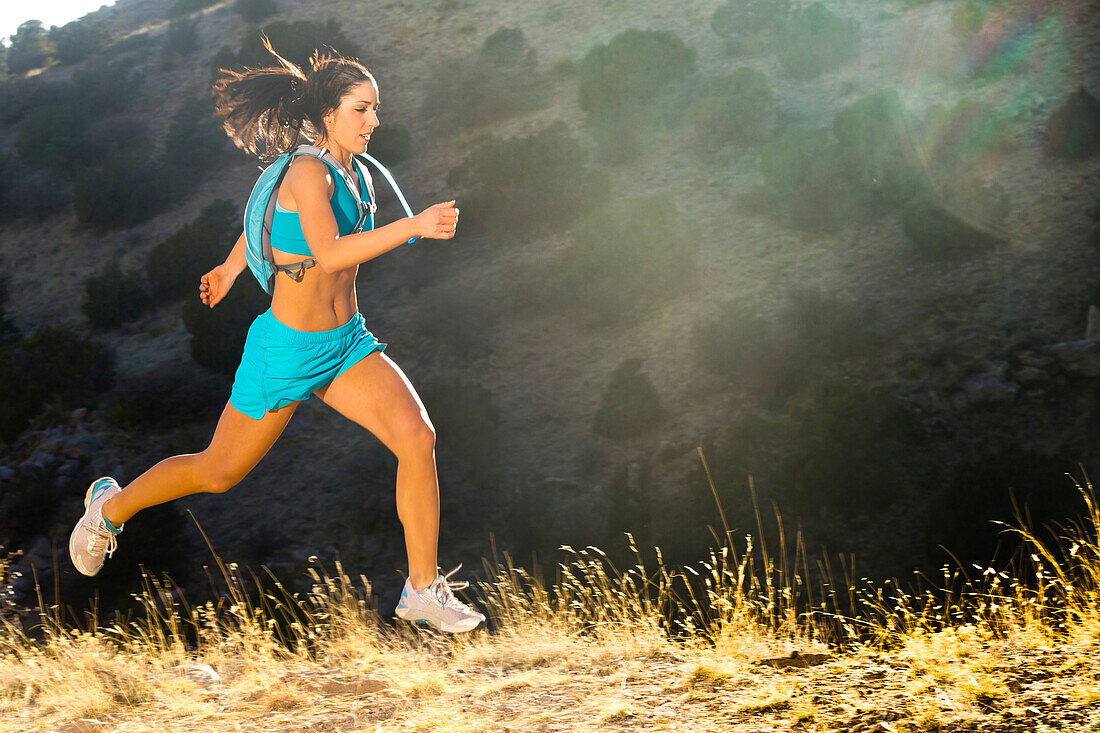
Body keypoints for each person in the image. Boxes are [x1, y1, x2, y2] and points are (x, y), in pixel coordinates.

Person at [68, 37, 485, 634]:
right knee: (218, 471)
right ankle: (108, 509)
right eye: (360, 109)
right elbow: (329, 251)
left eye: (375, 108)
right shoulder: (310, 169)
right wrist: (413, 227)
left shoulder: (355, 169)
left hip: (346, 343)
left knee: (418, 439)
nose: (373, 119)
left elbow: (264, 215)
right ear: (327, 116)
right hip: (286, 349)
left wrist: (234, 265)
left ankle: (422, 589)